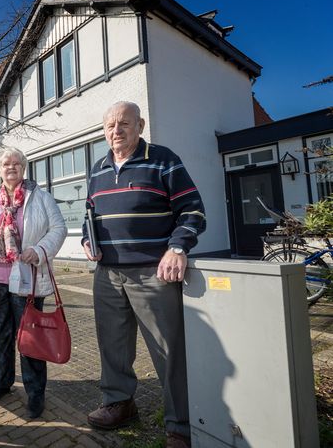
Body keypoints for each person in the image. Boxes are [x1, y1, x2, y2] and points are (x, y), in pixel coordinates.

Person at [82, 101, 206, 448]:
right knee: (112, 347)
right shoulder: (97, 168)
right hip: (107, 273)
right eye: (109, 125)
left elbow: (193, 210)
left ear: (140, 125)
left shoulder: (163, 159)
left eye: (124, 123)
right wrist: (86, 239)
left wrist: (177, 247)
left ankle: (180, 425)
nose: (115, 131)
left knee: (168, 352)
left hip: (153, 273)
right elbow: (89, 215)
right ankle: (119, 403)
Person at [0, 147, 67, 419]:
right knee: (2, 335)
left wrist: (41, 251)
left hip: (27, 280)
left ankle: (35, 393)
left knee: (30, 339)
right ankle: (3, 382)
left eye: (16, 164)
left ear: (23, 168)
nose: (11, 167)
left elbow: (59, 228)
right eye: (5, 164)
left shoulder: (40, 197)